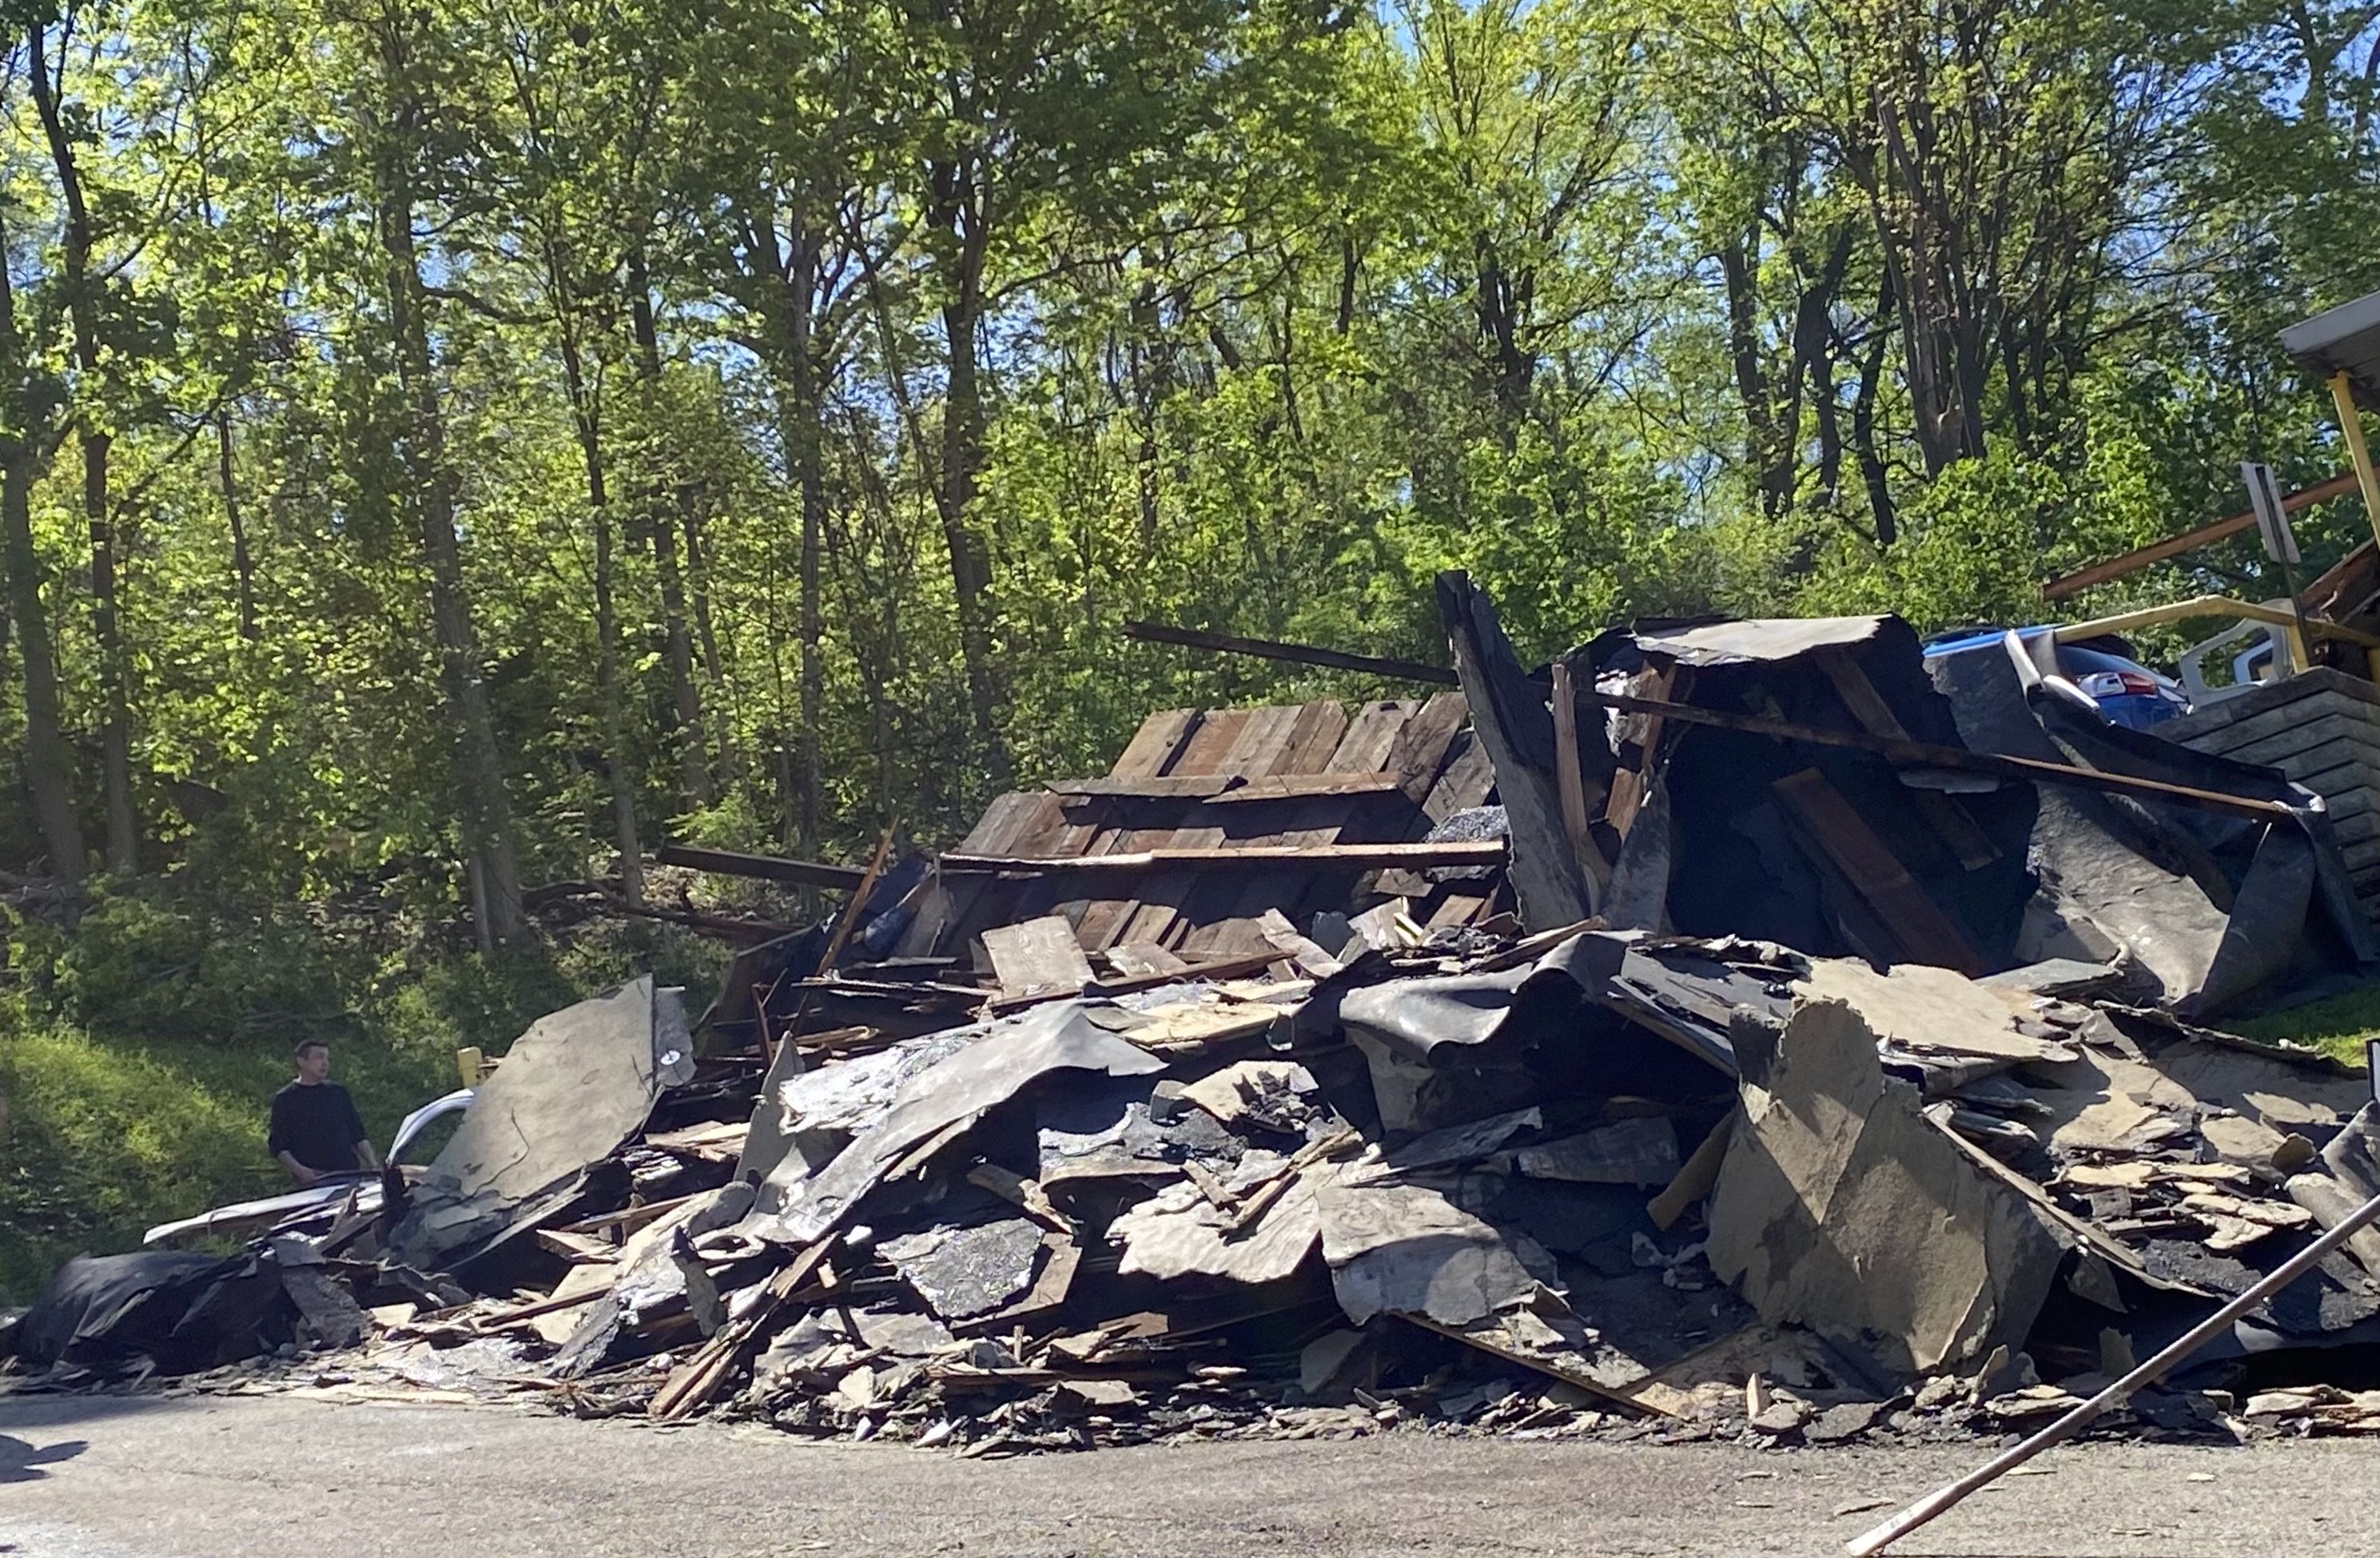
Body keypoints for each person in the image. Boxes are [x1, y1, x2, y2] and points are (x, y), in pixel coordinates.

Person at [268, 1039, 380, 1187]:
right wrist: (300, 1171)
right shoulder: (286, 1099)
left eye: (327, 1058)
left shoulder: (338, 1093)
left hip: (349, 1174)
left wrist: (372, 1164)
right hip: (313, 1179)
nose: (325, 1063)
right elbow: (279, 1145)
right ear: (301, 1061)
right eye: (319, 1057)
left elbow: (358, 1135)